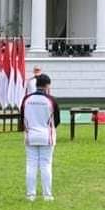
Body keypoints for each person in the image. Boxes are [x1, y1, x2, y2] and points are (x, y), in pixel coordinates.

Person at [20, 73, 61, 201]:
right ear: (47, 85)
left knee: (31, 165)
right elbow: (57, 120)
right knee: (45, 165)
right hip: (46, 136)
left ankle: (30, 195)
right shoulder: (51, 100)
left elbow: (22, 117)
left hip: (30, 135)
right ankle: (47, 195)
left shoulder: (26, 99)